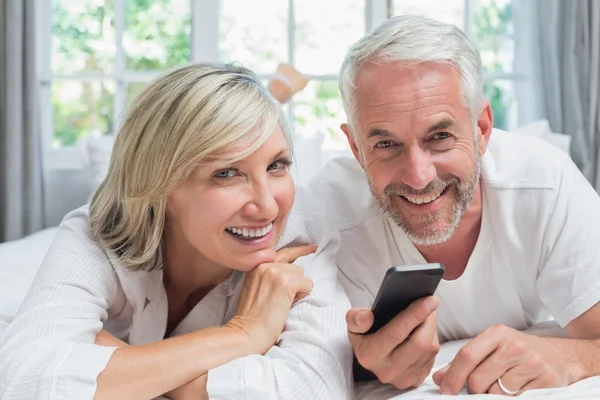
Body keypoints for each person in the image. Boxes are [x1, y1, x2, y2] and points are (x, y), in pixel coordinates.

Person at [0, 63, 353, 400]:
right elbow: (22, 382)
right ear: (158, 184)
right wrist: (242, 333)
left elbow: (314, 392)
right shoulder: (99, 230)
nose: (268, 207)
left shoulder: (303, 236)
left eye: (277, 165)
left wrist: (125, 363)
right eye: (227, 173)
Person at [309, 15, 600, 396]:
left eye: (441, 137)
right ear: (356, 149)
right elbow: (305, 366)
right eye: (385, 144)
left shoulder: (543, 185)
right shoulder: (325, 218)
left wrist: (572, 358)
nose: (418, 176)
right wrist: (363, 367)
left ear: (481, 129)